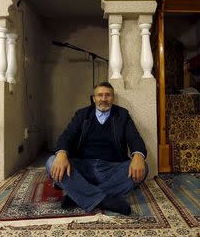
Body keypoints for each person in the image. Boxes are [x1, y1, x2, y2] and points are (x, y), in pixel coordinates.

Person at [45, 82, 148, 215]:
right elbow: (67, 135)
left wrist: (138, 156)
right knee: (51, 162)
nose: (104, 99)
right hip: (84, 167)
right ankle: (104, 200)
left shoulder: (122, 114)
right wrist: (62, 154)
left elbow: (134, 138)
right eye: (100, 95)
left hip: (112, 169)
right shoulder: (82, 114)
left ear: (113, 98)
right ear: (94, 98)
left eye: (108, 95)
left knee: (144, 167)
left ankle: (77, 196)